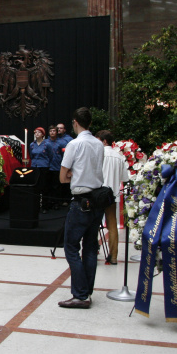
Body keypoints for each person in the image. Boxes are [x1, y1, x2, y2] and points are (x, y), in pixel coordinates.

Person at [58, 107, 105, 309]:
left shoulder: (74, 144)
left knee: (70, 247)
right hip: (97, 200)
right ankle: (86, 291)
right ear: (90, 123)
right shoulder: (98, 144)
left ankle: (80, 294)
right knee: (91, 248)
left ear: (75, 122)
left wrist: (73, 176)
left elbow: (62, 177)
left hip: (80, 202)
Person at [96, 130, 130, 265]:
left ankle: (93, 250)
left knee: (94, 223)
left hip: (98, 194)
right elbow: (124, 178)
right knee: (112, 224)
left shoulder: (98, 154)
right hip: (113, 195)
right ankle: (114, 256)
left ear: (104, 141)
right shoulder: (119, 157)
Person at [29, 127, 54, 212]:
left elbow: (51, 155)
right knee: (35, 187)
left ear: (43, 134)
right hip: (34, 167)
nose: (37, 134)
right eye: (35, 132)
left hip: (44, 167)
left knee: (44, 187)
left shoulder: (47, 144)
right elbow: (31, 155)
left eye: (39, 132)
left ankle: (45, 206)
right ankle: (35, 205)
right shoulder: (32, 145)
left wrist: (45, 163)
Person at [46, 125, 63, 210]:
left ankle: (57, 202)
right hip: (48, 167)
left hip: (57, 166)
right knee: (48, 185)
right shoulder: (45, 142)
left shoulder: (60, 142)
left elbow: (62, 154)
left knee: (56, 186)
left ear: (56, 132)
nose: (52, 132)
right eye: (51, 131)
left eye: (54, 131)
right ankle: (49, 202)